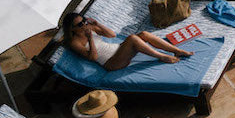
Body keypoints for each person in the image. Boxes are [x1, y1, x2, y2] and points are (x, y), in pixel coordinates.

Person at [61, 12, 192, 70]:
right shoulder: (75, 42)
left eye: (83, 21)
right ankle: (162, 57)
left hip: (119, 50)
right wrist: (90, 39)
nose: (83, 25)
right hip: (111, 63)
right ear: (71, 29)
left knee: (144, 34)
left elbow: (112, 35)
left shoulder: (89, 28)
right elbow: (93, 57)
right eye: (79, 25)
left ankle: (177, 51)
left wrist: (98, 24)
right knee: (133, 38)